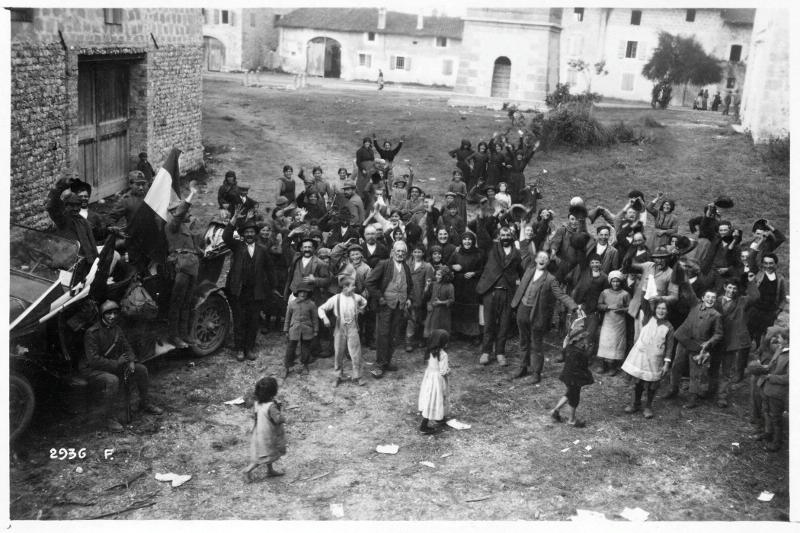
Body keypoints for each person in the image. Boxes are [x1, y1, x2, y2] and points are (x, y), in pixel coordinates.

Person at [82, 300, 163, 432]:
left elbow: (127, 347)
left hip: (113, 364)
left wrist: (131, 360)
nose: (112, 317)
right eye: (109, 314)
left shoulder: (117, 329)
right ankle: (108, 418)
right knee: (112, 380)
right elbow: (94, 360)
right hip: (93, 369)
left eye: (115, 313)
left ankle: (144, 403)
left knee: (141, 369)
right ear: (102, 315)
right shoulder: (92, 333)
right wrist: (117, 363)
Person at [511, 251, 581, 384]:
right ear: (536, 259)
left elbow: (560, 295)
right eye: (540, 257)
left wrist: (574, 306)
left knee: (536, 343)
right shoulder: (529, 271)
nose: (542, 260)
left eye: (546, 258)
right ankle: (523, 367)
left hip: (537, 314)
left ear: (549, 262)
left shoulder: (550, 279)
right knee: (523, 340)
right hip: (522, 310)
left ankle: (536, 373)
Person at [224, 208, 279, 362]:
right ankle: (240, 349)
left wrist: (272, 288)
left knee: (253, 321)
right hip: (239, 291)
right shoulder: (237, 247)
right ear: (243, 234)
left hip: (256, 292)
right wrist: (233, 219)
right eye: (246, 232)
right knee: (240, 320)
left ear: (256, 234)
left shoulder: (262, 250)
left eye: (251, 232)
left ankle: (249, 348)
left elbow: (270, 269)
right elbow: (226, 236)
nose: (249, 234)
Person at [666, 287, 723, 408]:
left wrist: (709, 342)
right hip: (683, 340)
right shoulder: (694, 305)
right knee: (676, 365)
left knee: (695, 372)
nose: (710, 299)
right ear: (702, 298)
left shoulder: (716, 315)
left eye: (713, 298)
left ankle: (692, 398)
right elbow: (688, 291)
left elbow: (718, 333)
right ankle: (673, 389)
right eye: (708, 297)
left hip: (698, 345)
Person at [365, 240, 414, 378]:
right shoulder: (384, 264)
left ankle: (387, 362)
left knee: (394, 335)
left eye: (403, 252)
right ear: (392, 251)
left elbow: (409, 285)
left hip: (399, 306)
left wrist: (408, 298)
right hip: (386, 305)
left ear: (406, 254)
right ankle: (379, 365)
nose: (400, 254)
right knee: (383, 334)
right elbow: (369, 282)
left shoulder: (406, 267)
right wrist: (380, 297)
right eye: (398, 251)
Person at [476, 226, 523, 366]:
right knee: (489, 323)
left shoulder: (517, 253)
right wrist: (482, 218)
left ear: (512, 236)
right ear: (499, 236)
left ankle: (500, 353)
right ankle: (486, 352)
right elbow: (482, 233)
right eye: (503, 235)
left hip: (507, 292)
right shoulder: (492, 248)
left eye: (508, 234)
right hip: (491, 291)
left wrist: (520, 286)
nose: (505, 237)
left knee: (504, 324)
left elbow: (521, 271)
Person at [620, 299, 674, 418]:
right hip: (642, 356)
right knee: (638, 381)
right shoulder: (648, 318)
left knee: (651, 384)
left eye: (664, 309)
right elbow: (644, 303)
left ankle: (648, 406)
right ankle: (635, 403)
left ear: (667, 311)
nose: (661, 311)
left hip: (655, 359)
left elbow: (670, 347)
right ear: (655, 309)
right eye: (659, 308)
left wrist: (666, 363)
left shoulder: (669, 327)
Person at [164, 185, 203, 349]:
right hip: (181, 266)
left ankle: (185, 335)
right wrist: (191, 194)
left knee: (187, 302)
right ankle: (175, 336)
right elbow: (180, 214)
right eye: (184, 211)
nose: (188, 213)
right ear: (174, 213)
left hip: (192, 265)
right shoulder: (171, 226)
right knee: (177, 303)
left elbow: (195, 245)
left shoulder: (185, 227)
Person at [319, 277, 368, 386]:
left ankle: (357, 376)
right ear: (344, 287)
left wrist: (360, 310)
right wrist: (325, 318)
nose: (354, 287)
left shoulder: (356, 297)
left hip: (353, 327)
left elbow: (364, 302)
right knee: (338, 352)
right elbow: (321, 309)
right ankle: (338, 376)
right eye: (352, 285)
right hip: (339, 327)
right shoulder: (336, 298)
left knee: (356, 352)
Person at [749, 330, 789, 452]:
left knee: (776, 416)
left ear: (787, 340)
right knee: (766, 411)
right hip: (767, 387)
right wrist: (765, 367)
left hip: (777, 391)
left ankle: (777, 442)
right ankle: (768, 432)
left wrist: (770, 377)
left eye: (779, 338)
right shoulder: (781, 349)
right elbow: (773, 364)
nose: (777, 340)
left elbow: (789, 378)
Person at [548, 322, 593, 428]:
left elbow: (563, 356)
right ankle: (571, 420)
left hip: (567, 376)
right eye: (584, 339)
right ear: (578, 340)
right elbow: (584, 364)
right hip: (575, 378)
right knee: (574, 398)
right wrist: (587, 353)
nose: (586, 341)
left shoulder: (568, 348)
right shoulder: (579, 353)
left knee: (569, 393)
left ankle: (555, 410)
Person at [242, 377, 286, 482]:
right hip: (268, 436)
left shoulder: (257, 402)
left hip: (259, 432)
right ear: (273, 392)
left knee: (268, 454)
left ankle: (270, 470)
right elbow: (277, 419)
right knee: (261, 457)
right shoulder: (271, 406)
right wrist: (282, 416)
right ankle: (247, 471)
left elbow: (256, 416)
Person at [46, 177, 99, 263]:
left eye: (78, 205)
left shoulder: (83, 222)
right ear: (66, 206)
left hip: (84, 262)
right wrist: (62, 186)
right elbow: (52, 206)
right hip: (67, 263)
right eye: (72, 205)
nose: (75, 208)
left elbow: (92, 244)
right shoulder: (62, 219)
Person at [448, 230, 484, 342]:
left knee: (472, 310)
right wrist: (453, 267)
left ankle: (474, 334)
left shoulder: (479, 254)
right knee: (459, 308)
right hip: (459, 285)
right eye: (465, 239)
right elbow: (447, 266)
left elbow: (484, 270)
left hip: (473, 286)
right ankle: (459, 332)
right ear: (461, 241)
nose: (467, 241)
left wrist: (474, 273)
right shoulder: (456, 253)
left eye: (469, 239)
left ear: (473, 241)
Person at [746, 253, 787, 348]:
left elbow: (783, 299)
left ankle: (761, 358)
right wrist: (760, 242)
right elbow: (751, 259)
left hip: (769, 313)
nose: (768, 266)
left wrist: (776, 312)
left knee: (764, 338)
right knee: (749, 334)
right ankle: (746, 356)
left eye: (771, 263)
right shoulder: (758, 274)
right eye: (766, 263)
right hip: (754, 310)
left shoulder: (780, 279)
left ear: (776, 264)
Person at [596, 271, 632, 374]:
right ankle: (602, 364)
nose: (615, 283)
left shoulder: (625, 294)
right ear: (610, 282)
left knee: (616, 343)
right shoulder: (605, 292)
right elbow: (599, 305)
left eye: (617, 281)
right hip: (608, 321)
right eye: (613, 281)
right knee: (605, 341)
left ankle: (612, 366)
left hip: (619, 322)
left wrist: (623, 310)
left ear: (620, 282)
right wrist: (607, 307)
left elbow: (630, 307)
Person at [418, 330, 451, 434]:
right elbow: (443, 371)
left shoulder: (430, 351)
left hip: (429, 378)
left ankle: (439, 417)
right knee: (437, 399)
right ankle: (424, 426)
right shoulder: (443, 354)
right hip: (438, 380)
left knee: (430, 398)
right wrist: (448, 371)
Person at [283, 282, 317, 377]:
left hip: (307, 330)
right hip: (294, 329)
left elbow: (315, 319)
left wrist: (316, 330)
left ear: (308, 293)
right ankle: (287, 366)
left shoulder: (311, 305)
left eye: (305, 292)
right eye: (300, 292)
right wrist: (286, 330)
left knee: (305, 348)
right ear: (297, 293)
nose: (303, 294)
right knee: (290, 348)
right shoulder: (291, 304)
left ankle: (305, 364)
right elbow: (287, 318)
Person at [406, 243, 434, 351]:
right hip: (410, 295)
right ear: (412, 253)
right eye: (415, 252)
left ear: (423, 253)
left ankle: (422, 339)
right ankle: (409, 341)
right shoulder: (408, 264)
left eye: (419, 252)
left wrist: (425, 296)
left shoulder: (427, 267)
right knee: (411, 319)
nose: (417, 254)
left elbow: (429, 284)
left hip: (421, 296)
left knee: (422, 318)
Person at [424, 265, 454, 341]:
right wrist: (427, 285)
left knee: (441, 327)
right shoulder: (434, 284)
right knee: (431, 326)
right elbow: (427, 295)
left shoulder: (450, 286)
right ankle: (431, 341)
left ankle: (441, 342)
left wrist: (441, 302)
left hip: (443, 312)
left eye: (439, 275)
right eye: (436, 274)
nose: (436, 276)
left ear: (444, 276)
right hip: (432, 309)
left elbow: (451, 300)